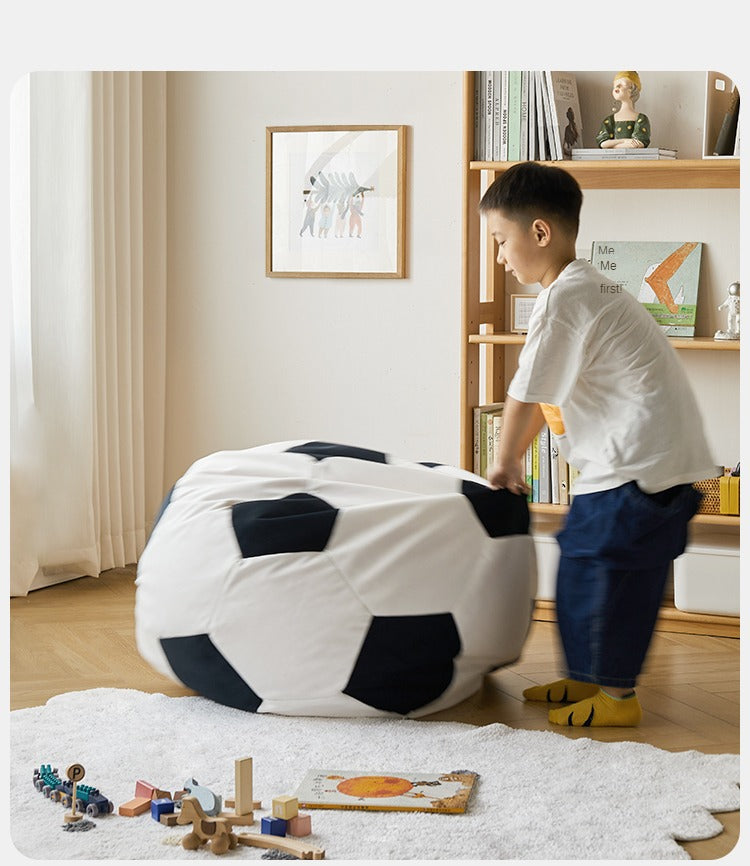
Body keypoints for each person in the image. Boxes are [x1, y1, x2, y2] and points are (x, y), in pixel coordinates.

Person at [478, 162, 716, 727]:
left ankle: (616, 696)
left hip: (638, 467)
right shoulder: (588, 288)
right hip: (642, 464)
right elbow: (546, 396)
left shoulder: (566, 299)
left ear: (540, 232)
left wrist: (506, 459)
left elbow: (524, 389)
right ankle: (588, 679)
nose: (499, 257)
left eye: (500, 240)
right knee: (584, 563)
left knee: (609, 577)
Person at [595, 71, 650, 149]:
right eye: (615, 86)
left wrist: (612, 144)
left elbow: (639, 143)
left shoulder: (641, 118)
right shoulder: (609, 120)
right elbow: (602, 143)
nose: (616, 88)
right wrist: (625, 141)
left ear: (632, 89)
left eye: (621, 85)